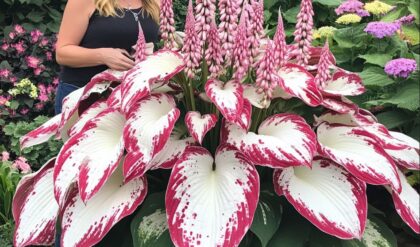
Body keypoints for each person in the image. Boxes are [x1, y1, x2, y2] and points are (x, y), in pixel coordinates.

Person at [54, 0, 160, 114]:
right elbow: (62, 53)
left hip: (133, 98)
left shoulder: (154, 2)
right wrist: (103, 56)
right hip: (83, 97)